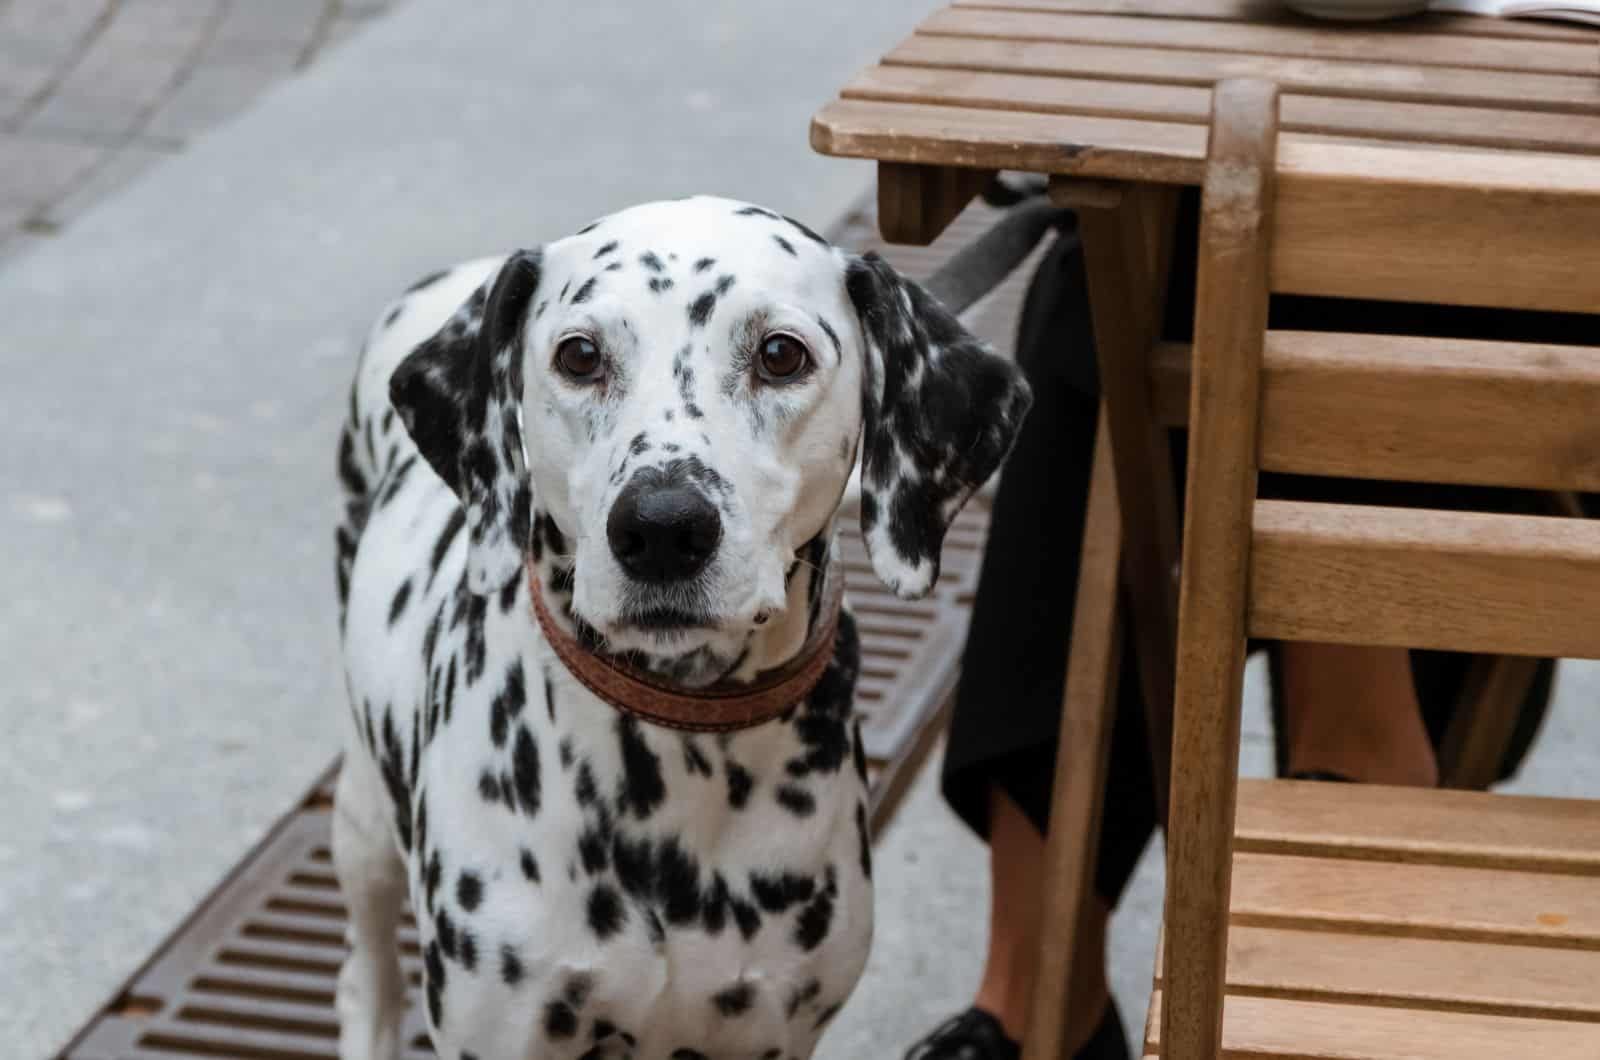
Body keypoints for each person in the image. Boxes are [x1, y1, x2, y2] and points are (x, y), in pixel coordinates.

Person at [901, 185, 1579, 1060]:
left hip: (1529, 270)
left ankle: (1356, 777)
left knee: (1328, 246)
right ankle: (1039, 987)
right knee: (1115, 272)